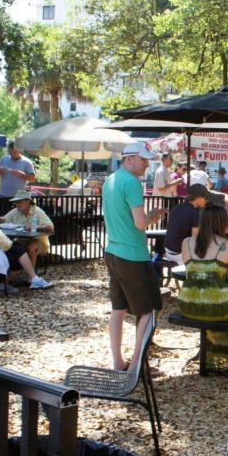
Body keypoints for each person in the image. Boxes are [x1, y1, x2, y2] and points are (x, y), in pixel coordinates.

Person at [102, 142, 167, 372]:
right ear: (129, 159)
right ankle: (138, 364)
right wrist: (153, 216)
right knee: (148, 309)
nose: (147, 164)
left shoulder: (110, 180)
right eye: (144, 159)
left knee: (118, 309)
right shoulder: (132, 182)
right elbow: (140, 223)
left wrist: (149, 215)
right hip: (133, 255)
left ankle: (118, 362)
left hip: (112, 251)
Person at [177, 204, 228, 376]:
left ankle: (211, 358)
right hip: (218, 307)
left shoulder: (187, 243)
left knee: (214, 306)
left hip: (188, 305)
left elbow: (195, 273)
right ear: (222, 223)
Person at [0, 190, 55, 270]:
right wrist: (0, 220)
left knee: (32, 245)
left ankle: (31, 276)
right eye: (16, 202)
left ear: (28, 201)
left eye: (19, 202)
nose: (17, 204)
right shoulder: (15, 211)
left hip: (39, 242)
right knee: (5, 245)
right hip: (20, 241)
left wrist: (35, 227)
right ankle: (9, 274)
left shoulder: (37, 211)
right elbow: (2, 220)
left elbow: (50, 227)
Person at [164, 184, 215, 266]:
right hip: (180, 255)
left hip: (168, 251)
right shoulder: (193, 212)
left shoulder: (177, 207)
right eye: (205, 197)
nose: (207, 200)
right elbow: (195, 240)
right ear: (198, 197)